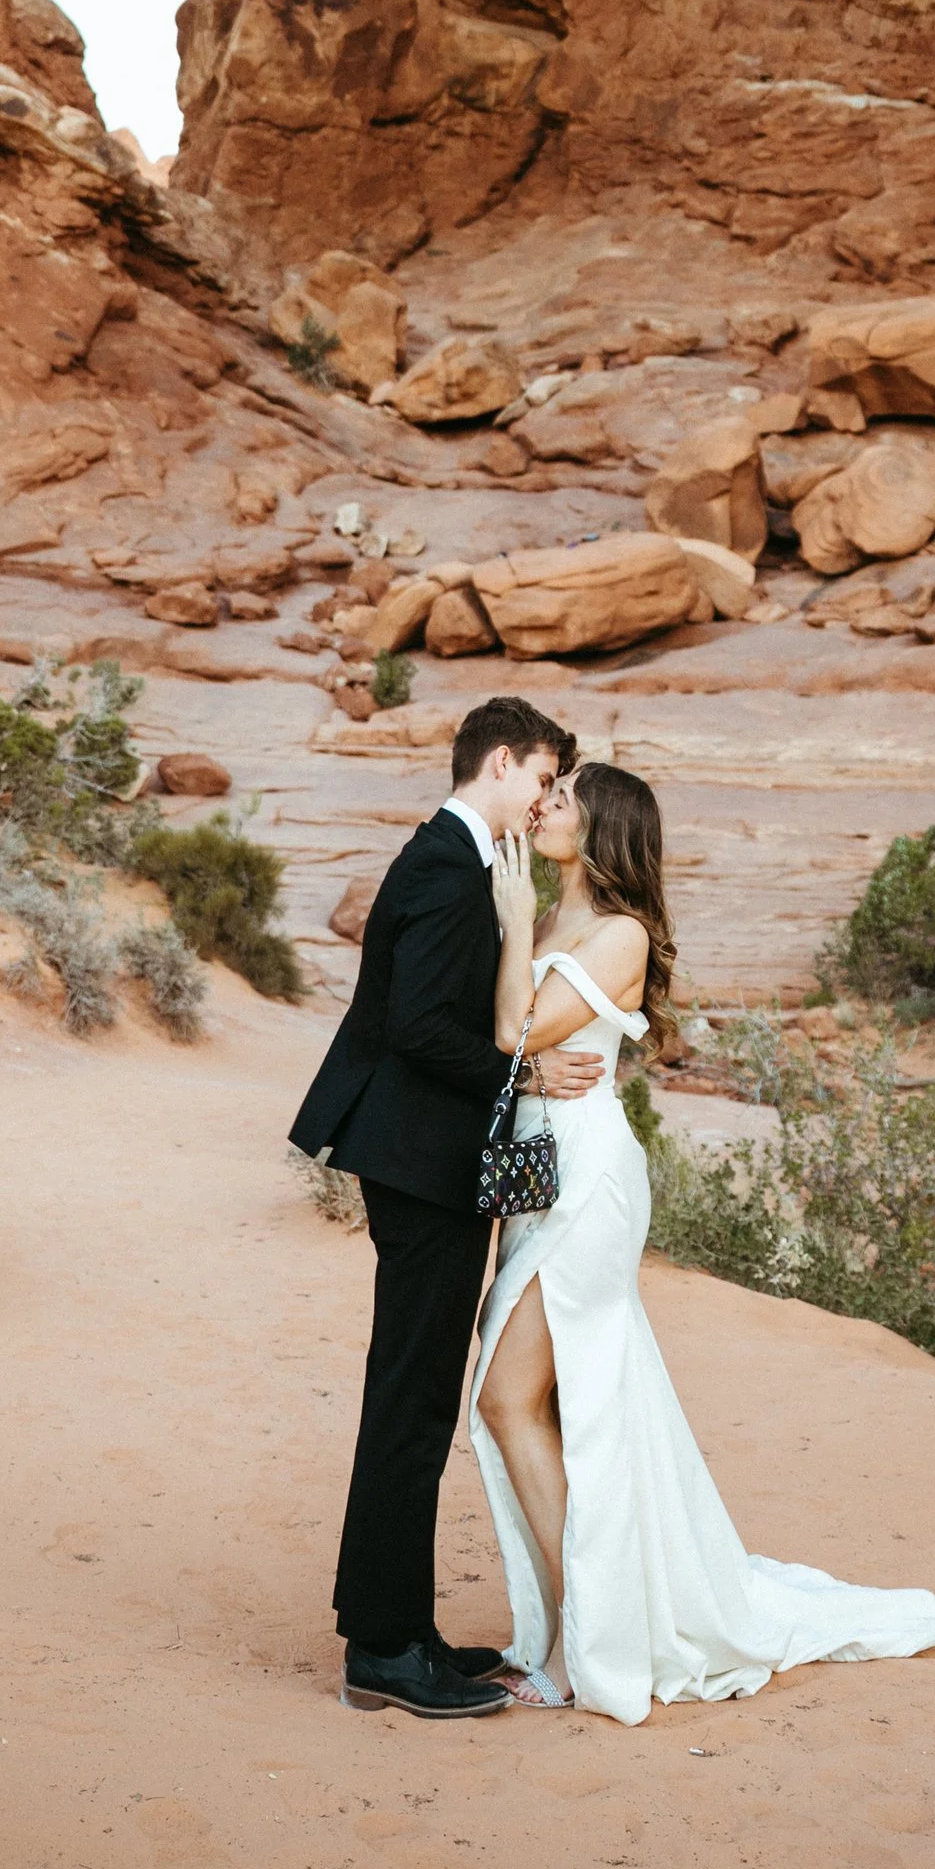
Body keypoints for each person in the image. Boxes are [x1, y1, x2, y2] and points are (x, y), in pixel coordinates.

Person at [470, 759, 935, 1724]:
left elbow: (512, 1027)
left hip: (589, 1184)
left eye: (561, 798)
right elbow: (517, 1058)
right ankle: (593, 1627)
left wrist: (516, 925)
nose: (544, 805)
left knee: (506, 1398)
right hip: (536, 1175)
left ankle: (585, 1649)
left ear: (601, 827)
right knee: (560, 1409)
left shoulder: (619, 935)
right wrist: (525, 1052)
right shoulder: (565, 922)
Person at [289, 692, 597, 1721]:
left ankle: (400, 1629)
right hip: (420, 1165)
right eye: (544, 777)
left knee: (415, 1398)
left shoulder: (459, 862)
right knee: (410, 1403)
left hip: (425, 1161)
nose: (548, 795)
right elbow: (420, 1026)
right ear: (500, 763)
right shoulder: (445, 868)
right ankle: (381, 1648)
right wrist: (521, 1084)